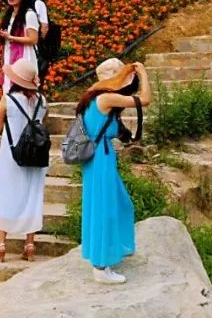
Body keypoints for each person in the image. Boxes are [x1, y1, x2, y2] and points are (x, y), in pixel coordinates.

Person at [78, 58, 152, 285]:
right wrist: (143, 73)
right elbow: (145, 100)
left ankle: (114, 248)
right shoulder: (106, 97)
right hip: (101, 156)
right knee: (104, 208)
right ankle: (101, 267)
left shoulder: (93, 95)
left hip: (100, 156)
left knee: (119, 203)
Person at [0, 60, 48, 263]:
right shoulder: (43, 101)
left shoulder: (8, 100)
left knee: (6, 194)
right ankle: (30, 244)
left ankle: (1, 245)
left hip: (12, 154)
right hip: (36, 156)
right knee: (32, 195)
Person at [0, 0, 39, 89]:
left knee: (21, 86)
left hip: (24, 57)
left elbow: (33, 39)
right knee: (8, 85)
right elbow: (6, 40)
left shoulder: (29, 14)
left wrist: (11, 37)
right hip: (9, 55)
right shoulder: (8, 15)